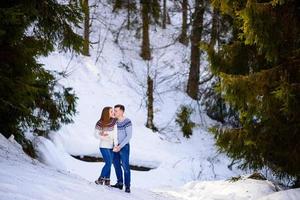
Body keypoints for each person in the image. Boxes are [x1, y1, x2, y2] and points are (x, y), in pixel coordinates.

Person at [94, 106, 118, 186]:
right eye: (111, 111)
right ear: (106, 113)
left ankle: (107, 180)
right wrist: (103, 136)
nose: (113, 112)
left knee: (109, 163)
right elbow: (95, 135)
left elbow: (115, 134)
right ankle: (101, 179)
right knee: (108, 162)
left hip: (111, 146)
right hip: (103, 146)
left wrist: (115, 144)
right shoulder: (100, 122)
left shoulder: (114, 122)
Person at [111, 104, 132, 193]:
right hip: (115, 146)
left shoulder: (127, 121)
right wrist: (115, 145)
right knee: (116, 164)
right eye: (114, 110)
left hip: (124, 147)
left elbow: (129, 136)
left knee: (125, 165)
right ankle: (119, 183)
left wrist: (120, 146)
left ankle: (127, 186)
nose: (114, 112)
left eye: (116, 110)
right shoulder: (114, 122)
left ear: (122, 111)